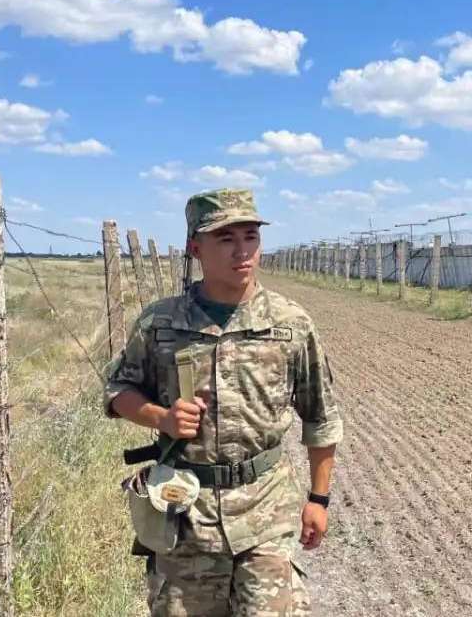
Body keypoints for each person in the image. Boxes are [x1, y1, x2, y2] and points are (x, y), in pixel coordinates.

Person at [103, 188, 342, 616]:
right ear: (197, 248)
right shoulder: (162, 323)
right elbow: (117, 391)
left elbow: (321, 418)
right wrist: (162, 418)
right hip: (185, 514)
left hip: (266, 511)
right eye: (226, 239)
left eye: (250, 236)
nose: (242, 251)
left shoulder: (290, 324)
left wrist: (319, 500)